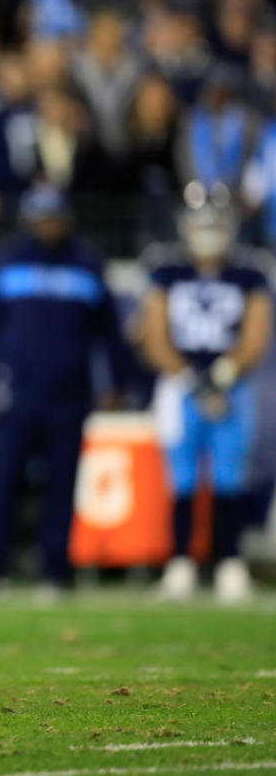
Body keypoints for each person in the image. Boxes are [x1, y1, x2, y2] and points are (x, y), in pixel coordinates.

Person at [0, 184, 128, 596]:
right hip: (15, 392)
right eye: (42, 217)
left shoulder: (87, 263)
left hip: (70, 394)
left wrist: (116, 383)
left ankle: (56, 573)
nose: (49, 226)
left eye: (55, 217)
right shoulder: (8, 259)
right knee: (1, 485)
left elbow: (110, 333)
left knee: (62, 486)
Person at [140, 184, 273, 602]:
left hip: (232, 387)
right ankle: (180, 562)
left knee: (228, 479)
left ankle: (228, 562)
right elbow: (154, 334)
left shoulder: (250, 273)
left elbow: (256, 333)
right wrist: (193, 381)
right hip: (179, 388)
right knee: (180, 480)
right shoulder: (166, 271)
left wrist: (224, 374)